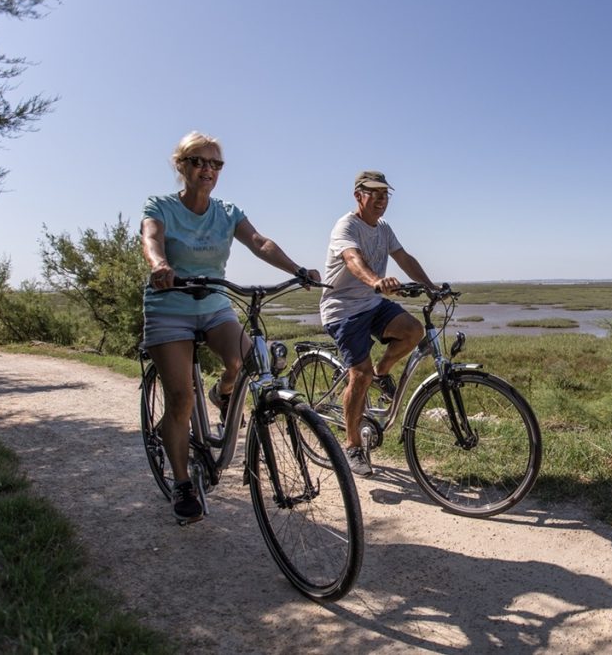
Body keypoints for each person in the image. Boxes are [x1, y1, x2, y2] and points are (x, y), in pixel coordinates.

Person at [140, 131, 319, 524]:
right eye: (199, 162)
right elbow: (151, 238)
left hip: (215, 303)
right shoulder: (162, 206)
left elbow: (259, 241)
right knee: (180, 400)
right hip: (170, 305)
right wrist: (159, 266)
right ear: (181, 166)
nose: (208, 170)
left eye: (215, 164)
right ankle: (183, 483)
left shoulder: (228, 211)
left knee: (245, 360)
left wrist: (297, 270)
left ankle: (223, 395)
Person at [320, 170, 439, 477]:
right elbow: (352, 259)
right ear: (359, 195)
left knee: (413, 331)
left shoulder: (384, 228)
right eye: (375, 194)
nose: (381, 201)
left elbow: (404, 257)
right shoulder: (346, 225)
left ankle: (381, 372)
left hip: (372, 304)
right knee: (358, 375)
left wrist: (429, 285)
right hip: (343, 309)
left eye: (385, 195)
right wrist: (376, 280)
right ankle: (352, 445)